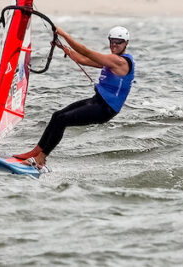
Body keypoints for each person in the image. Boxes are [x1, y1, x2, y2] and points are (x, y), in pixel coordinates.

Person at [14, 25, 135, 169]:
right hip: (97, 101)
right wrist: (63, 47)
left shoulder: (120, 61)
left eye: (118, 42)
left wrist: (64, 34)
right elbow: (83, 60)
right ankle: (36, 152)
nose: (114, 45)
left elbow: (86, 52)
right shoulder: (112, 59)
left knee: (63, 121)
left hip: (106, 109)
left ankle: (40, 159)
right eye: (112, 41)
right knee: (57, 115)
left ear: (126, 43)